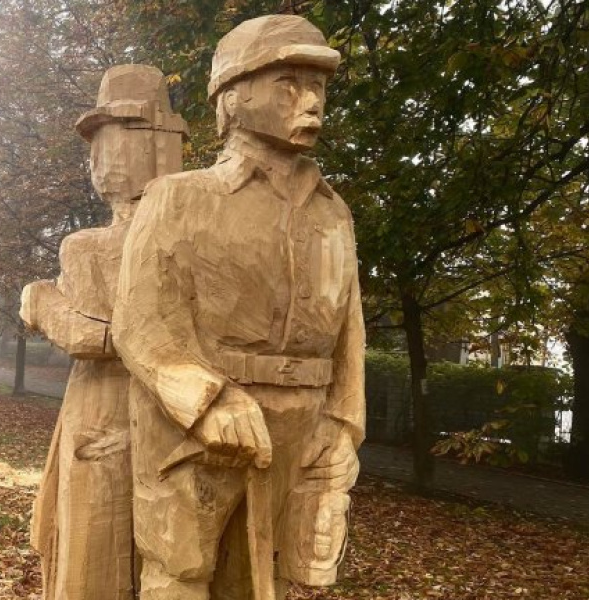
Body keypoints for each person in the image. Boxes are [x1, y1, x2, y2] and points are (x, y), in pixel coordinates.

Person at [112, 15, 365, 600]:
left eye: (318, 87)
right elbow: (142, 320)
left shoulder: (334, 212)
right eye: (287, 84)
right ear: (232, 97)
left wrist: (345, 424)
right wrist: (207, 400)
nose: (310, 103)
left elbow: (349, 328)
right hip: (197, 428)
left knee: (267, 579)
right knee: (182, 570)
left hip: (306, 423)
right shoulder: (180, 197)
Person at [22, 64, 187, 600]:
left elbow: (94, 335)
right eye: (95, 144)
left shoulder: (93, 246)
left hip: (113, 412)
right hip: (128, 415)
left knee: (96, 561)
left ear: (158, 142)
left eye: (111, 139)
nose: (98, 158)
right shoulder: (188, 238)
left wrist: (43, 301)